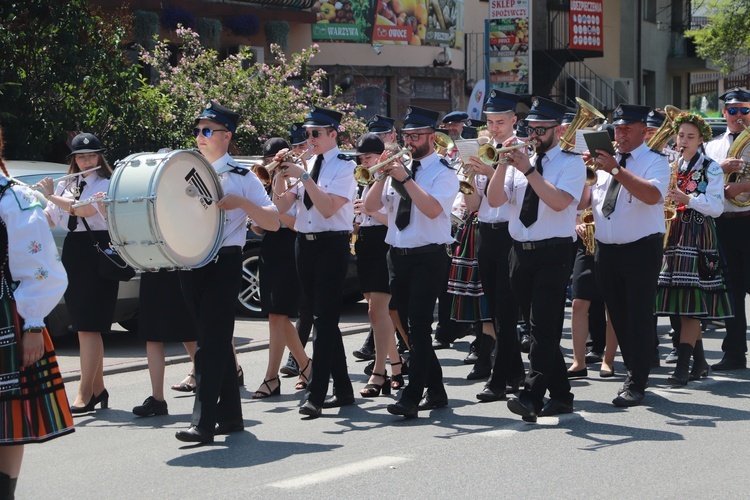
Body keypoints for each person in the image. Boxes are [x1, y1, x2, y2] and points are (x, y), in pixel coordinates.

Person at [175, 101, 279, 443]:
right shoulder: (184, 169)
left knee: (209, 343)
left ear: (226, 136)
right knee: (213, 340)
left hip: (224, 261)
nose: (200, 137)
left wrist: (243, 204)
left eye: (208, 131)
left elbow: (273, 222)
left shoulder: (242, 176)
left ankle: (203, 422)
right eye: (198, 130)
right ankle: (232, 417)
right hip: (191, 261)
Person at [487, 97, 585, 422]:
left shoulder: (571, 163)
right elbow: (495, 199)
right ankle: (562, 394)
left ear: (557, 130)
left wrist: (527, 169)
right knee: (536, 329)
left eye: (541, 130)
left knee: (542, 328)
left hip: (553, 252)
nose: (535, 135)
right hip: (519, 252)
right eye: (531, 129)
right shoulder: (517, 163)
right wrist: (503, 163)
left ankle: (531, 395)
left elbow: (558, 202)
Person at [365, 106, 459, 418]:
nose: (411, 141)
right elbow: (369, 205)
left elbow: (432, 210)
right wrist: (382, 174)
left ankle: (411, 396)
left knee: (419, 326)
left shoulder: (443, 173)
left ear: (432, 137)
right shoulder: (397, 169)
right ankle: (436, 389)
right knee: (404, 325)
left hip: (427, 256)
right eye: (407, 136)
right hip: (397, 255)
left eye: (417, 136)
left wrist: (404, 178)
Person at [0, 128, 73, 499]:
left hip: (7, 321)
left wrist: (32, 325)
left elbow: (41, 267)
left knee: (7, 413)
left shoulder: (15, 199)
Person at [583, 104, 670, 407]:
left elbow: (652, 196)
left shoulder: (655, 161)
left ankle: (636, 379)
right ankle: (636, 370)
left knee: (639, 315)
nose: (620, 134)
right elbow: (585, 201)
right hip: (606, 249)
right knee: (617, 315)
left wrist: (617, 170)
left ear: (644, 131)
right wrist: (585, 172)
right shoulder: (605, 161)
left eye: (627, 129)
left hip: (641, 248)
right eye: (617, 129)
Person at [273, 106, 356, 419]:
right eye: (307, 134)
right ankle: (345, 388)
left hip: (331, 246)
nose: (309, 139)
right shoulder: (306, 163)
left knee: (324, 321)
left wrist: (303, 176)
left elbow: (328, 208)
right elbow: (282, 206)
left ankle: (316, 394)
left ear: (333, 134)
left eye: (316, 134)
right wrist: (280, 176)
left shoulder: (344, 166)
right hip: (303, 245)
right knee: (324, 318)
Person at [39, 133, 117, 414]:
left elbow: (82, 210)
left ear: (99, 157)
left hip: (98, 250)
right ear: (73, 159)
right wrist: (29, 206)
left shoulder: (107, 183)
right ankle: (98, 389)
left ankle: (85, 392)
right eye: (82, 156)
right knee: (82, 323)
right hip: (75, 251)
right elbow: (50, 218)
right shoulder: (67, 183)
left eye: (92, 155)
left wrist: (50, 195)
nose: (87, 160)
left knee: (89, 325)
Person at [656, 111, 732, 384]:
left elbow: (717, 207)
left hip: (698, 236)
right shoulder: (671, 164)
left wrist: (687, 198)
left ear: (701, 139)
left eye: (690, 136)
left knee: (690, 305)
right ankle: (699, 362)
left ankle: (683, 367)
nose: (683, 140)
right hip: (674, 234)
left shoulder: (710, 167)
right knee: (680, 303)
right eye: (681, 136)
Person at [462, 90, 526, 400]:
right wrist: (471, 178)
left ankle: (499, 380)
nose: (494, 128)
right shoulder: (485, 150)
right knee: (495, 310)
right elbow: (475, 204)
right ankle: (516, 373)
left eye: (500, 122)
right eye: (490, 122)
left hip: (510, 234)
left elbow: (511, 196)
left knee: (506, 310)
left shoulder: (520, 151)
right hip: (485, 231)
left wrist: (491, 171)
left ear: (513, 120)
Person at [251, 137, 311, 399]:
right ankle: (306, 367)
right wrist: (258, 219)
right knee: (275, 316)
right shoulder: (269, 183)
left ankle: (272, 377)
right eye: (268, 161)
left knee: (279, 315)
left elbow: (296, 221)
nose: (271, 166)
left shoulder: (298, 180)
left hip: (291, 246)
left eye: (274, 161)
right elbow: (261, 225)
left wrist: (270, 215)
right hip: (270, 247)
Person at [352, 133, 403, 396]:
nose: (364, 162)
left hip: (385, 242)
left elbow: (396, 220)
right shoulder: (365, 178)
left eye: (369, 157)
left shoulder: (391, 179)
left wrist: (370, 210)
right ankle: (396, 366)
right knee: (379, 314)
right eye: (362, 157)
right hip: (366, 242)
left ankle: (379, 371)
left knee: (376, 312)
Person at [705, 87, 750, 371]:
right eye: (733, 111)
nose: (739, 116)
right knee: (731, 291)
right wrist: (719, 173)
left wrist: (741, 187)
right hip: (723, 223)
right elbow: (698, 179)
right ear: (724, 113)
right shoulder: (712, 146)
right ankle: (734, 353)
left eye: (745, 110)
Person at [131, 270, 198, 416]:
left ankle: (210, 391)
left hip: (179, 266)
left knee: (188, 330)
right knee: (152, 333)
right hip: (151, 264)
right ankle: (157, 399)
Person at [280, 123, 315, 378]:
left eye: (303, 144)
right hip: (289, 244)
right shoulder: (292, 174)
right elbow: (280, 205)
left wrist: (290, 223)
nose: (300, 149)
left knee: (306, 307)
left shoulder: (314, 171)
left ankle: (296, 359)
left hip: (306, 240)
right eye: (297, 146)